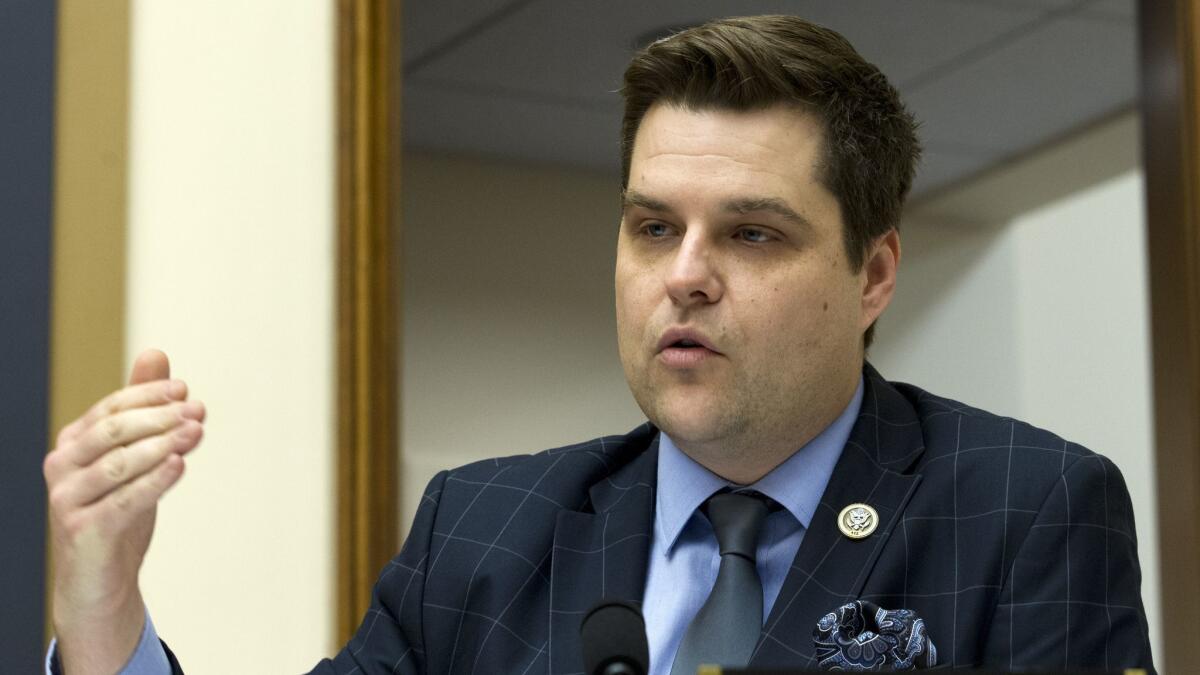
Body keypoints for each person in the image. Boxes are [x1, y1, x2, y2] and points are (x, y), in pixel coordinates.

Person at [44, 14, 1155, 675]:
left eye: (752, 233)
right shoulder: (483, 530)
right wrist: (105, 620)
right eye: (653, 227)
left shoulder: (1026, 508)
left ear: (871, 273)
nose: (684, 273)